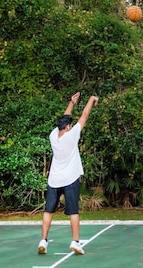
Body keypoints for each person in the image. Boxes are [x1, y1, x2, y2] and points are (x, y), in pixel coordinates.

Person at [38, 92, 98, 255]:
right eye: (69, 125)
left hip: (54, 180)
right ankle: (75, 242)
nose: (71, 126)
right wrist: (92, 99)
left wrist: (72, 102)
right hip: (70, 180)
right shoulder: (71, 136)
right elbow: (84, 115)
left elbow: (65, 117)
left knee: (48, 210)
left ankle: (43, 240)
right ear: (68, 127)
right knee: (73, 211)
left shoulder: (53, 135)